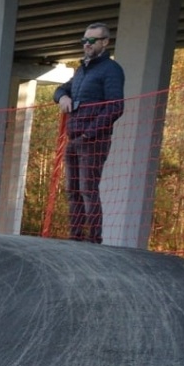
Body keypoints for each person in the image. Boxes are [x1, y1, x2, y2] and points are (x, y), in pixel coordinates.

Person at [53, 23, 126, 244]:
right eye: (84, 40)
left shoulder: (111, 70)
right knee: (72, 190)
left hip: (93, 141)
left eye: (92, 40)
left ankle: (94, 240)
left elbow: (116, 107)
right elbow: (61, 90)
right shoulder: (82, 70)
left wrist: (89, 134)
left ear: (105, 42)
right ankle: (75, 237)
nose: (87, 44)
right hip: (73, 138)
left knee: (87, 190)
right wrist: (62, 98)